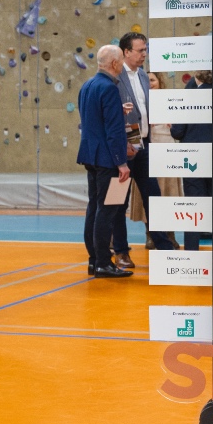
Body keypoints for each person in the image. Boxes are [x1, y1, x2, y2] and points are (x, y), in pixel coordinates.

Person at [109, 32, 178, 267]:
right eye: (140, 50)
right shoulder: (115, 77)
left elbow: (145, 108)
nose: (144, 54)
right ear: (126, 52)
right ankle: (120, 251)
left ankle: (164, 246)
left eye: (145, 50)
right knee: (118, 201)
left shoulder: (142, 75)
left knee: (154, 197)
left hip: (144, 145)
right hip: (122, 146)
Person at [77, 45, 134, 278]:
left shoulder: (88, 85)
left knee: (94, 207)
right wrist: (122, 162)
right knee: (108, 211)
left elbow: (92, 119)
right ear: (114, 64)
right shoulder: (110, 88)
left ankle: (94, 259)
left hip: (91, 155)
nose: (122, 64)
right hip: (109, 159)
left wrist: (116, 110)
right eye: (121, 59)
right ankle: (103, 262)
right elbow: (113, 130)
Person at [171, 71, 213, 252]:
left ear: (196, 78)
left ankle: (191, 250)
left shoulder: (189, 98)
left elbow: (178, 132)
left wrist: (171, 125)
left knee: (193, 206)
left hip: (192, 156)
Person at [147, 72, 184, 199]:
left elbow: (179, 126)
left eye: (152, 80)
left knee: (168, 182)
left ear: (159, 81)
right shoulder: (140, 101)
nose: (149, 84)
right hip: (148, 145)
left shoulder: (170, 99)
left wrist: (172, 122)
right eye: (146, 81)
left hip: (166, 144)